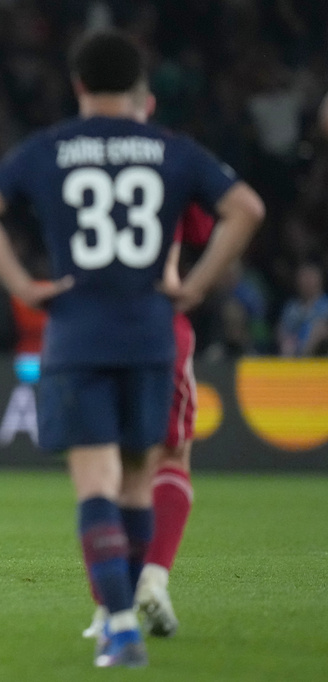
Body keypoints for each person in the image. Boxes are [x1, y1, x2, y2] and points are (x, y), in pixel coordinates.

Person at [0, 30, 264, 668]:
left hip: (77, 333)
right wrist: (197, 286)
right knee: (137, 484)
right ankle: (134, 597)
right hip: (152, 333)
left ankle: (119, 625)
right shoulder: (172, 151)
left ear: (77, 85)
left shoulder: (52, 148)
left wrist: (22, 285)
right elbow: (248, 209)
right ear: (140, 89)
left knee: (94, 484)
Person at [82, 203, 216, 641]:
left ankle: (107, 611)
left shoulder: (71, 160)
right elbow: (228, 217)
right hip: (159, 320)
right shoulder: (173, 161)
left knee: (104, 470)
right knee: (171, 455)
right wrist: (192, 288)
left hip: (94, 325)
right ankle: (153, 580)